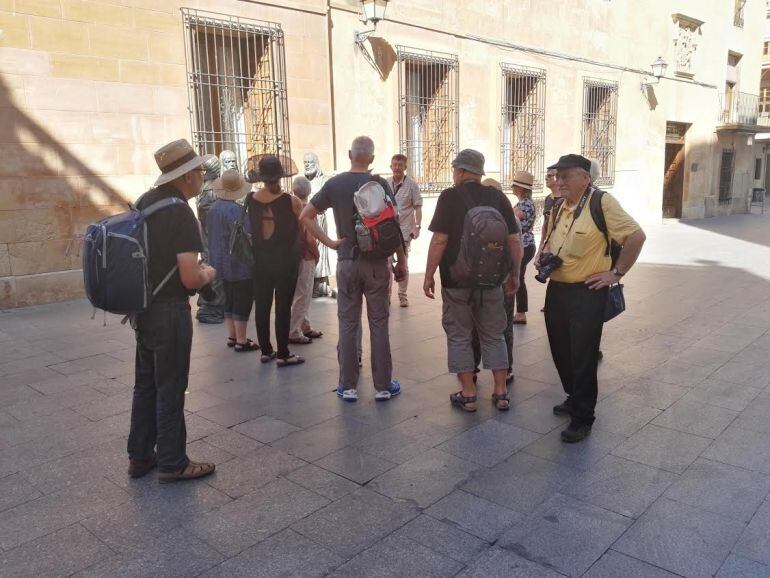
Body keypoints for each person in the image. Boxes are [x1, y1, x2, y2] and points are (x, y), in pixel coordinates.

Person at [538, 154, 646, 442]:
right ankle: (574, 397)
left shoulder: (601, 202)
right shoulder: (558, 206)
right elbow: (550, 238)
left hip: (587, 291)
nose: (559, 181)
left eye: (566, 176)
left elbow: (636, 236)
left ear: (585, 178)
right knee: (561, 350)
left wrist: (616, 273)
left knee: (583, 355)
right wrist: (542, 256)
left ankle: (583, 417)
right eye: (557, 176)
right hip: (557, 289)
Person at [128, 139, 217, 483]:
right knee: (170, 385)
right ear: (185, 177)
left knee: (146, 384)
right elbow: (190, 277)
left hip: (143, 308)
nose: (201, 177)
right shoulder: (180, 211)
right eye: (198, 171)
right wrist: (208, 273)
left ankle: (139, 456)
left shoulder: (144, 203)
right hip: (169, 311)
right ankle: (172, 462)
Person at [300, 136, 407, 402]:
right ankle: (383, 385)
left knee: (347, 323)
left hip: (346, 261)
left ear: (350, 154)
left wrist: (330, 242)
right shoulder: (380, 184)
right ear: (371, 158)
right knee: (379, 323)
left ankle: (347, 386)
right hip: (377, 265)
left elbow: (305, 216)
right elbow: (394, 227)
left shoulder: (334, 184)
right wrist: (402, 261)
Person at [424, 149, 522, 412]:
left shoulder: (449, 197)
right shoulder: (498, 197)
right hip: (492, 281)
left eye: (455, 169)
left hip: (456, 282)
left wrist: (429, 274)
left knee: (459, 335)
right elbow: (514, 240)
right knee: (494, 334)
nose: (454, 174)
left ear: (461, 171)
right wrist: (515, 274)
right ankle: (501, 392)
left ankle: (468, 394)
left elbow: (440, 240)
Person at [246, 155, 305, 367]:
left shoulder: (250, 199)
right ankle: (283, 353)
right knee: (283, 305)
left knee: (262, 304)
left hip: (260, 259)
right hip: (285, 261)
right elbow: (301, 229)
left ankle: (265, 350)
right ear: (280, 175)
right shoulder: (291, 201)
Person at [206, 169, 258, 352]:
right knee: (242, 299)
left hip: (218, 261)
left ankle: (232, 335)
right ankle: (242, 340)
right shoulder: (237, 211)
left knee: (228, 298)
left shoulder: (212, 209)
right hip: (239, 262)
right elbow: (249, 235)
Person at [289, 175, 323, 344]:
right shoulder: (308, 210)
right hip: (306, 254)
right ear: (309, 191)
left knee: (300, 292)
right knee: (303, 293)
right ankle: (294, 330)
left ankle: (305, 326)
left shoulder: (290, 208)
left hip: (293, 255)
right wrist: (316, 254)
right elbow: (310, 238)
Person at [386, 153, 422, 307]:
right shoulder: (385, 184)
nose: (397, 168)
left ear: (405, 167)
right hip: (387, 231)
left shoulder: (412, 185)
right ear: (391, 166)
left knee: (403, 263)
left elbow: (418, 207)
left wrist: (417, 227)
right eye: (395, 165)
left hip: (405, 231)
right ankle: (386, 295)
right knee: (386, 264)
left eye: (400, 165)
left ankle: (402, 295)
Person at [195, 155, 226, 324]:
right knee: (214, 271)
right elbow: (207, 215)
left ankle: (212, 304)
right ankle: (210, 308)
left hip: (209, 237)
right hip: (212, 238)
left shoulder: (204, 188)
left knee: (211, 268)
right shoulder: (210, 190)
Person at [304, 152, 336, 299]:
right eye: (305, 162)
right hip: (306, 221)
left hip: (319, 220)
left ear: (317, 164)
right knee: (309, 249)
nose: (307, 165)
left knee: (320, 251)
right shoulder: (302, 181)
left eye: (310, 162)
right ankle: (311, 284)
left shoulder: (324, 180)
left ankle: (320, 284)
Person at [511, 171, 537, 326]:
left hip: (524, 244)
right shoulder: (524, 202)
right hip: (526, 244)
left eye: (514, 185)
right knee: (519, 277)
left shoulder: (525, 204)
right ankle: (520, 312)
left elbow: (513, 218)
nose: (512, 187)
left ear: (520, 188)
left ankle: (520, 313)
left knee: (517, 277)